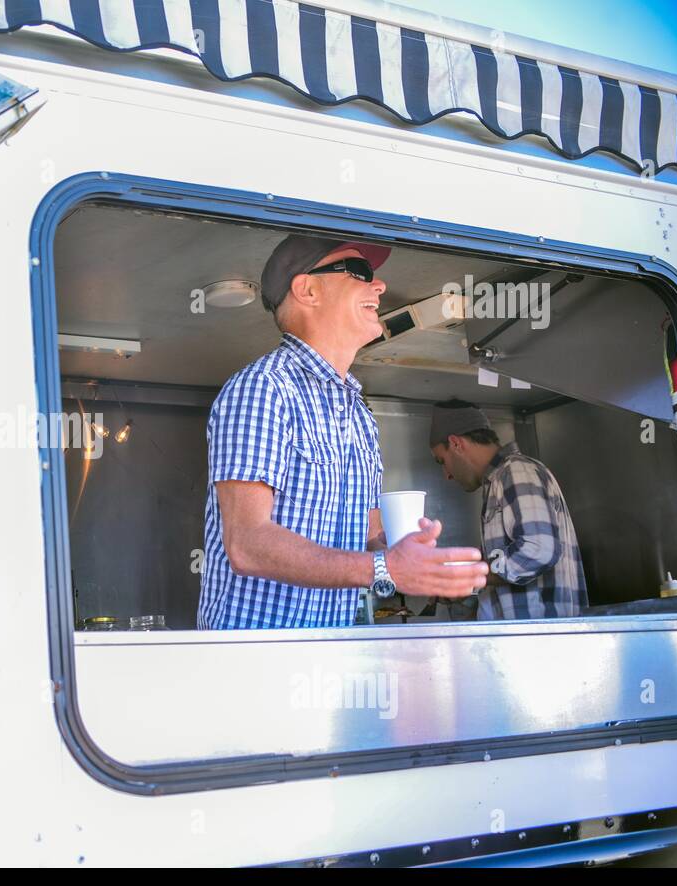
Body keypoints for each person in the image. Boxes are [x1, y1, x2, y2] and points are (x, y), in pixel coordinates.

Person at [197, 236, 488, 630]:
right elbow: (247, 544)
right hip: (259, 664)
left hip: (332, 659)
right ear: (308, 289)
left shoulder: (360, 415)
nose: (380, 285)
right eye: (361, 272)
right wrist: (384, 566)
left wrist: (407, 555)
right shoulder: (263, 388)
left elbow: (367, 534)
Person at [428, 399, 588, 620]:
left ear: (456, 444)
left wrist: (471, 575)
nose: (446, 474)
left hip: (540, 643)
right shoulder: (496, 482)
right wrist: (463, 586)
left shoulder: (516, 471)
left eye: (441, 461)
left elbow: (538, 550)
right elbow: (508, 575)